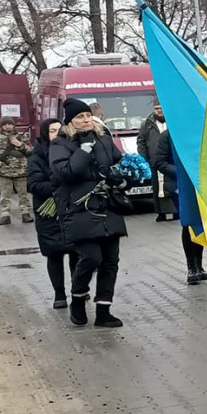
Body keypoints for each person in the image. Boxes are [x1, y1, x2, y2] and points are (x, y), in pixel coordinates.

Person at [50, 99, 129, 329]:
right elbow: (65, 173)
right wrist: (84, 150)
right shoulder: (60, 145)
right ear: (70, 122)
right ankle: (77, 297)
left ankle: (104, 310)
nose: (85, 120)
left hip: (107, 207)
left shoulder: (103, 139)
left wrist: (121, 177)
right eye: (79, 117)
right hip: (78, 210)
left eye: (87, 116)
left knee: (110, 261)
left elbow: (115, 163)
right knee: (91, 258)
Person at [146, 124, 207, 285]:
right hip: (178, 186)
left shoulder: (199, 132)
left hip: (198, 183)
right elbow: (159, 162)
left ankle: (199, 265)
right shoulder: (168, 135)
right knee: (188, 223)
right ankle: (191, 266)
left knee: (200, 224)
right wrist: (181, 173)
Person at [26, 118, 76, 312]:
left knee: (76, 252)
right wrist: (58, 187)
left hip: (70, 208)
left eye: (59, 130)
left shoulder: (70, 150)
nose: (57, 133)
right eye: (53, 130)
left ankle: (77, 289)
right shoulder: (37, 157)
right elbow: (34, 184)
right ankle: (59, 294)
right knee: (54, 254)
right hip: (48, 213)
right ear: (45, 133)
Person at [0, 117, 33, 225]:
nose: (7, 126)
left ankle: (25, 213)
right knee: (5, 195)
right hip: (4, 171)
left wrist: (20, 145)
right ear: (1, 125)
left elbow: (30, 151)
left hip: (21, 170)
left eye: (10, 124)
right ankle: (5, 214)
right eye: (5, 124)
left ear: (13, 125)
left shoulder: (22, 137)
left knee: (23, 194)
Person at [139, 101, 176, 221]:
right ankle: (161, 212)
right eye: (156, 108)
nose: (159, 111)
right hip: (154, 161)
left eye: (161, 108)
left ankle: (175, 211)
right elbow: (141, 141)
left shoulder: (173, 121)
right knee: (157, 188)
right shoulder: (147, 124)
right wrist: (145, 158)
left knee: (172, 186)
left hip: (170, 161)